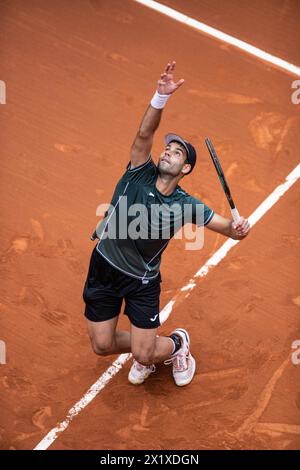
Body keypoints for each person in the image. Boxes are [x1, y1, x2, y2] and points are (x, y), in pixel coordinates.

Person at [83, 61, 250, 387]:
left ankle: (176, 345)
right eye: (168, 148)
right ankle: (150, 346)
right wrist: (160, 98)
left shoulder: (186, 205)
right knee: (101, 345)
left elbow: (228, 230)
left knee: (144, 355)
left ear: (186, 169)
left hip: (140, 281)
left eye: (177, 153)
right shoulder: (138, 170)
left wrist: (239, 229)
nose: (168, 153)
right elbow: (145, 133)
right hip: (104, 264)